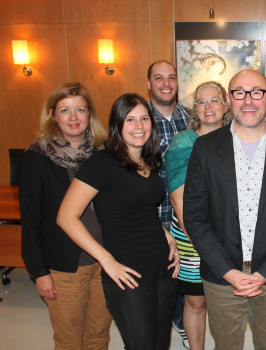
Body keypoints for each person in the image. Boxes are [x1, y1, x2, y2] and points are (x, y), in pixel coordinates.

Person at [183, 69, 266, 350]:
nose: (248, 100)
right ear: (229, 99)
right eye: (239, 92)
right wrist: (228, 272)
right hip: (222, 277)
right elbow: (194, 216)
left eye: (256, 92)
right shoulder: (204, 148)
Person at [57, 93, 180, 349]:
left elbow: (137, 210)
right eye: (130, 119)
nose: (139, 126)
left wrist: (167, 237)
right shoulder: (102, 162)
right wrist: (106, 260)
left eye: (144, 119)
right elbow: (66, 217)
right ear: (117, 125)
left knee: (160, 343)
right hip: (128, 273)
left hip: (163, 267)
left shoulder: (149, 160)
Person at [19, 82, 111, 349]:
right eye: (65, 110)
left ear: (89, 114)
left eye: (80, 110)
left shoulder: (103, 153)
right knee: (69, 339)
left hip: (104, 261)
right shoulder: (38, 156)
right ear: (52, 114)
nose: (73, 118)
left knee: (99, 334)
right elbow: (31, 219)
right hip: (64, 266)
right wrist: (39, 272)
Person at [165, 81, 232, 350]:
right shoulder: (184, 141)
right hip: (191, 234)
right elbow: (179, 201)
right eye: (201, 102)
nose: (208, 107)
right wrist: (202, 243)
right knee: (197, 301)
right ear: (195, 109)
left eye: (214, 100)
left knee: (224, 301)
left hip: (227, 232)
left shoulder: (236, 139)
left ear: (225, 104)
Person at [147, 60, 190, 347]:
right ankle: (163, 328)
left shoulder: (190, 117)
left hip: (185, 214)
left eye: (171, 77)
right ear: (149, 84)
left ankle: (183, 323)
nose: (165, 83)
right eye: (158, 78)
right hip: (153, 214)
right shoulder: (139, 118)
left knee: (184, 274)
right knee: (158, 280)